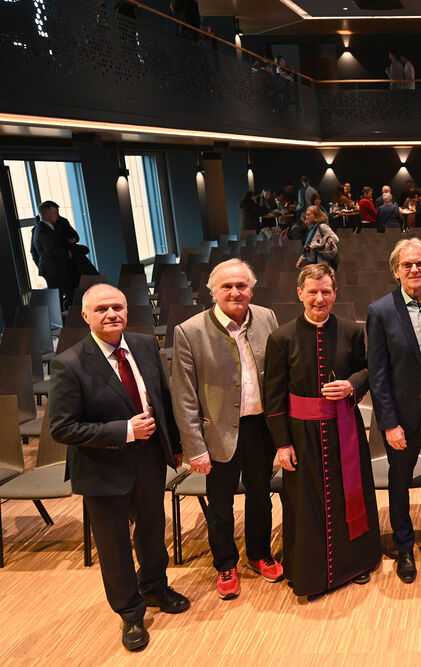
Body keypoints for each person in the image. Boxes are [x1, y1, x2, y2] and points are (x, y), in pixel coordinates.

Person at [49, 284, 189, 651]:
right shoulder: (69, 363)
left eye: (117, 307)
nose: (111, 314)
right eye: (101, 309)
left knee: (152, 532)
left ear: (127, 311)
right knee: (114, 548)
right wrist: (125, 430)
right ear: (85, 316)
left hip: (149, 459)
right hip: (102, 467)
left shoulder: (144, 345)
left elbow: (161, 398)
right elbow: (62, 428)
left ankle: (155, 588)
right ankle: (130, 613)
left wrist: (174, 447)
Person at [263, 264, 381, 599]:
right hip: (302, 435)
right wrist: (282, 444)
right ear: (300, 293)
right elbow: (273, 396)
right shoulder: (281, 338)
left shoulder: (351, 331)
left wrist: (351, 385)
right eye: (312, 292)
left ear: (335, 293)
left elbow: (367, 370)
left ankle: (355, 564)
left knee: (349, 495)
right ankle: (310, 573)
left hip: (345, 428)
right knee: (307, 504)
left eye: (326, 291)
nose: (319, 298)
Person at [170, 259, 282, 600]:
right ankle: (225, 563)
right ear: (213, 292)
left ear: (252, 289)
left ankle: (259, 554)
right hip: (216, 434)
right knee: (220, 504)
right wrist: (195, 448)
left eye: (242, 286)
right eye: (227, 287)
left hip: (261, 427)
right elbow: (184, 396)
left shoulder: (266, 317)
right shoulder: (189, 331)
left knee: (260, 496)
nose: (235, 292)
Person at [367, 239, 421, 584]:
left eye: (420, 263)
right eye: (407, 265)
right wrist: (389, 423)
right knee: (400, 480)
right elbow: (378, 375)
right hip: (403, 415)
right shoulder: (381, 311)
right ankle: (404, 545)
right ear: (396, 271)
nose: (415, 269)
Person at [31, 200, 80, 310]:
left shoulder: (50, 227)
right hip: (53, 270)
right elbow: (50, 251)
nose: (58, 215)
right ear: (47, 214)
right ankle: (62, 318)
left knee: (67, 294)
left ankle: (66, 316)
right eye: (55, 213)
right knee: (58, 299)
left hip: (57, 269)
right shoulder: (42, 230)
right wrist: (67, 253)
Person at [297, 205, 340, 270]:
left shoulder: (322, 226)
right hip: (313, 261)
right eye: (306, 215)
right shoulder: (313, 228)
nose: (307, 217)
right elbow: (308, 245)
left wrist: (318, 244)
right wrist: (301, 258)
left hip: (322, 261)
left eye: (309, 214)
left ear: (316, 215)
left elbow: (335, 239)